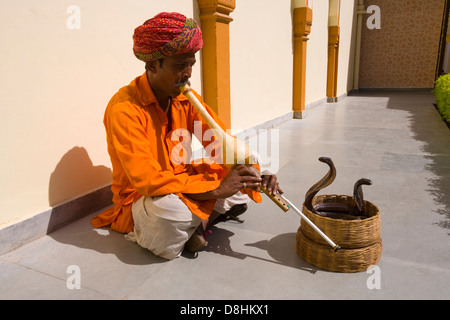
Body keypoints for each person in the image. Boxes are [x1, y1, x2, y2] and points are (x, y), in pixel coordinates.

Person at [91, 12, 282, 260]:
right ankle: (192, 220)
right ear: (152, 65)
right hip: (143, 197)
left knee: (247, 166)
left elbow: (218, 145)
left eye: (191, 63)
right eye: (180, 65)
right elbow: (148, 182)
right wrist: (215, 190)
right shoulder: (124, 109)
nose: (188, 72)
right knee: (170, 213)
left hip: (182, 181)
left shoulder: (185, 98)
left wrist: (255, 172)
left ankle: (195, 224)